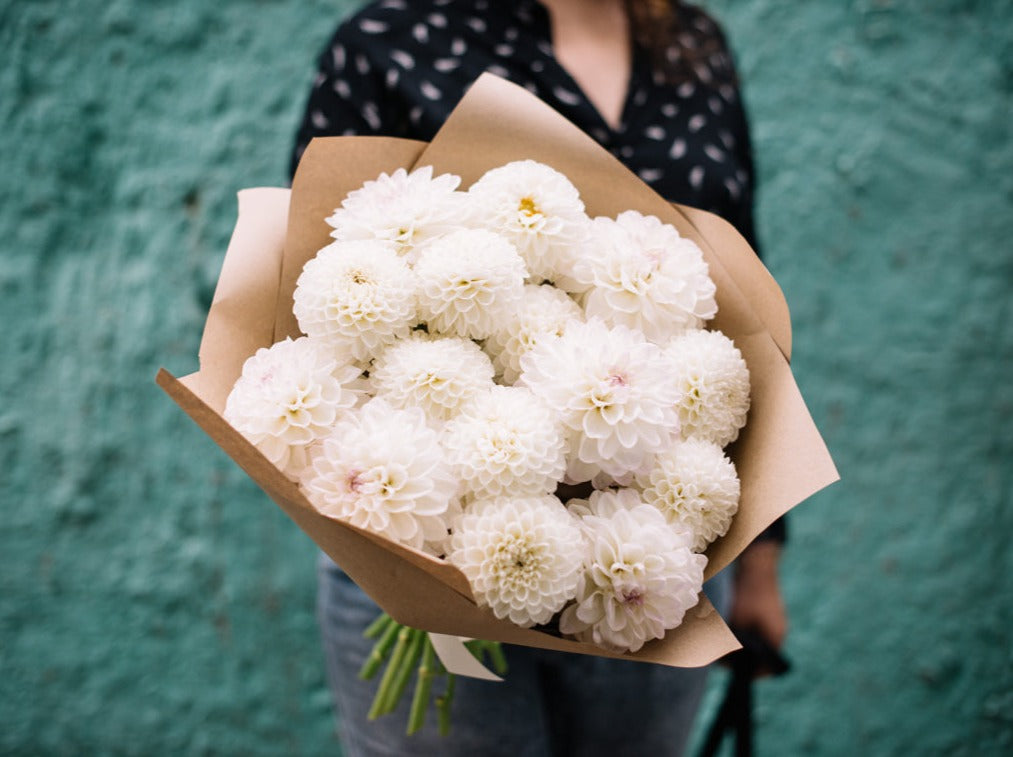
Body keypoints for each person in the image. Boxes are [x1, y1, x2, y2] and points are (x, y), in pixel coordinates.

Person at [290, 1, 786, 754]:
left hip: (649, 555)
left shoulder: (692, 45)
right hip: (421, 548)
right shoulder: (386, 40)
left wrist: (760, 562)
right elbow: (316, 276)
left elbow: (745, 295)